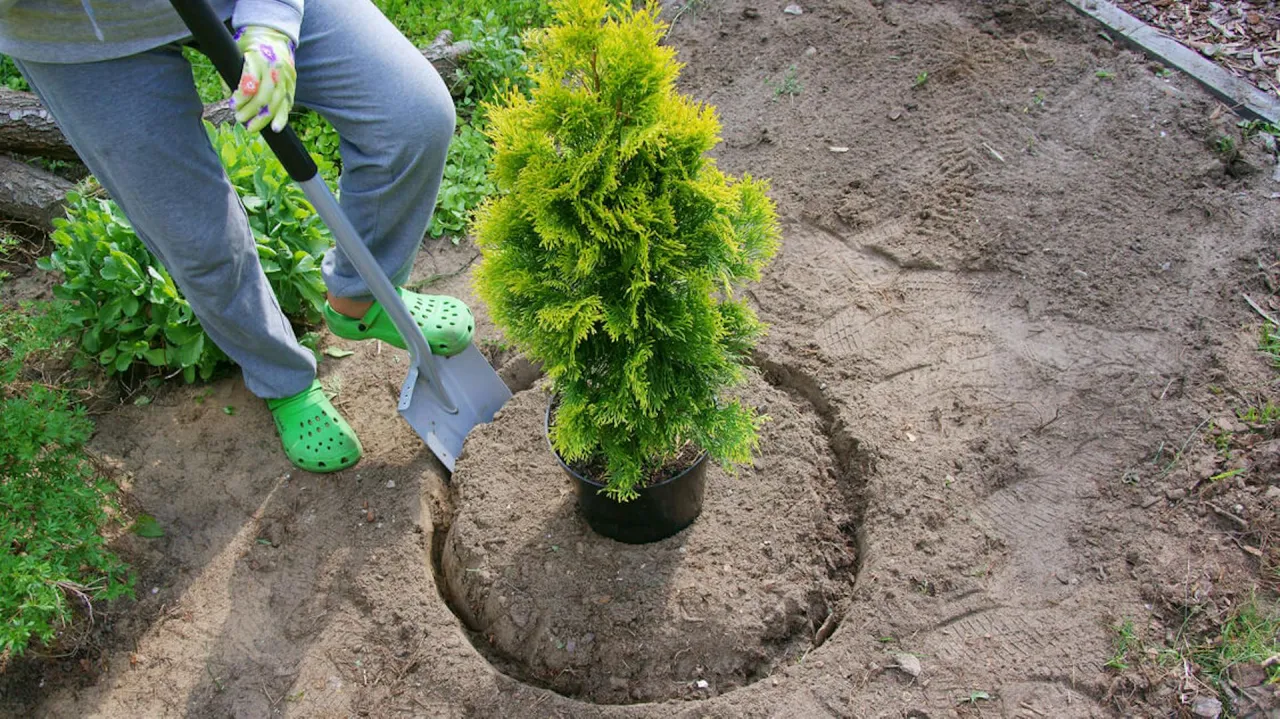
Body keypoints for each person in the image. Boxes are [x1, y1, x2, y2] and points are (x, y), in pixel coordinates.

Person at [0, 0, 473, 473]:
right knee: (198, 238)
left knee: (411, 117)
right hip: (78, 39)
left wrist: (272, 24)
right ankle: (283, 379)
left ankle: (361, 298)